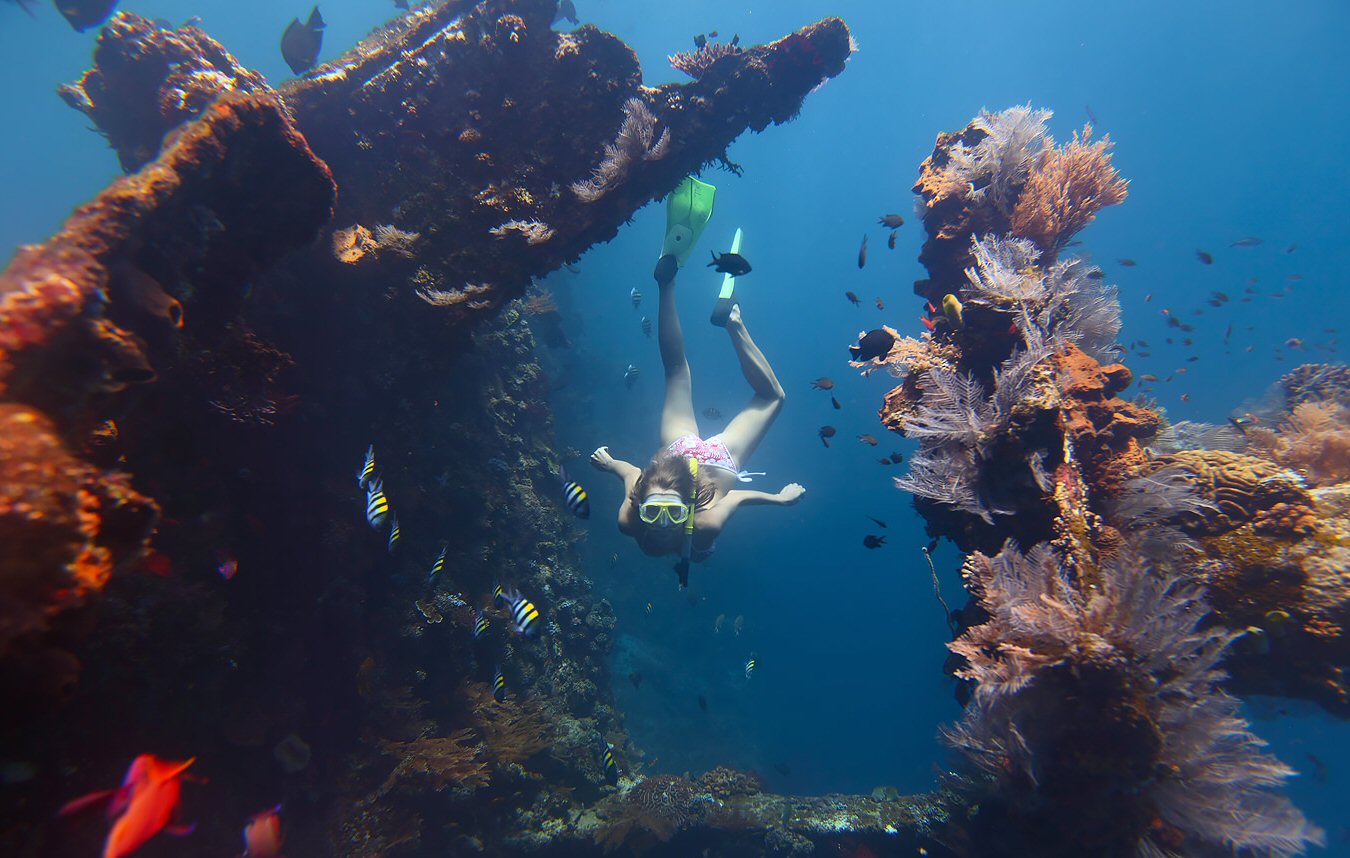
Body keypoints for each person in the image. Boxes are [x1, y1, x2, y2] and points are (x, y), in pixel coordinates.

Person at [591, 232, 804, 588]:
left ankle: (729, 319)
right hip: (678, 448)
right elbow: (630, 473)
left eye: (662, 512)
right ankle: (670, 286)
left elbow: (734, 495)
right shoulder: (644, 521)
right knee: (675, 369)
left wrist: (780, 500)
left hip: (717, 460)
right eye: (665, 513)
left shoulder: (693, 527)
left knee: (772, 398)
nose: (661, 523)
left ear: (641, 502)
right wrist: (610, 463)